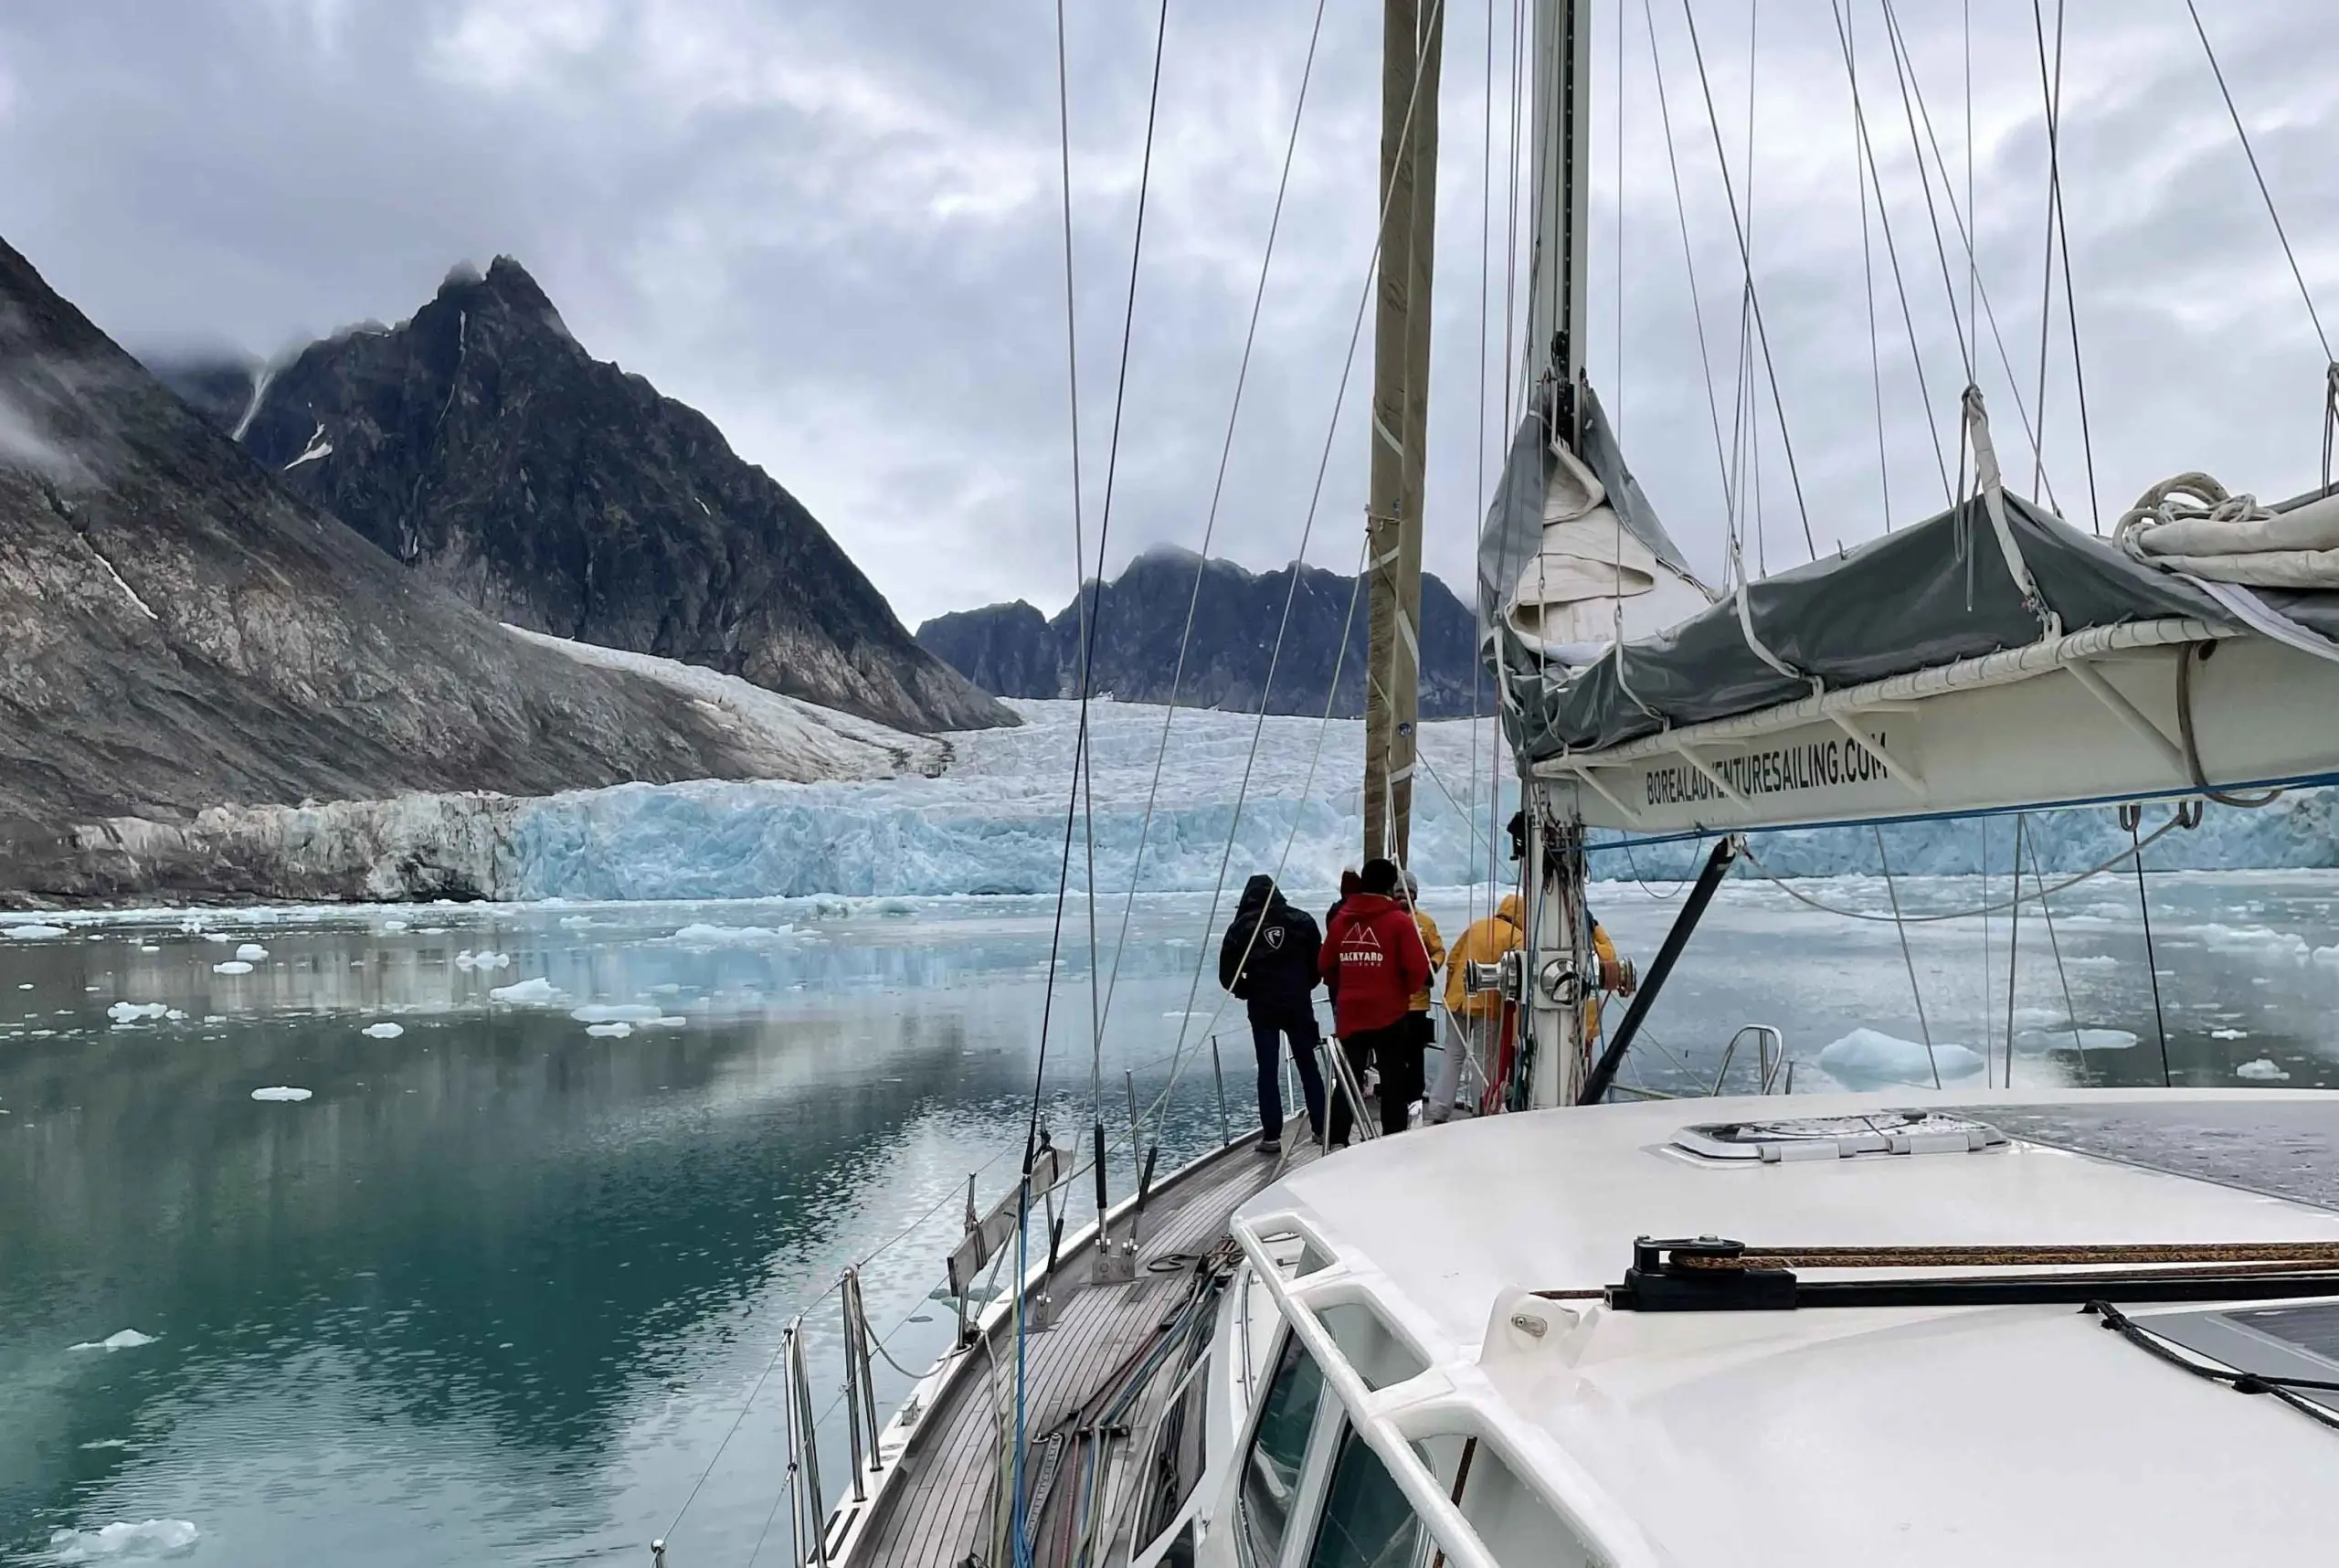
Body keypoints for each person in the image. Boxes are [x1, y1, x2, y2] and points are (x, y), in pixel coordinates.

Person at [1319, 857, 1431, 1144]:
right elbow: (1418, 967)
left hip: (1351, 1012)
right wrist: (1401, 989)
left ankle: (1336, 1137)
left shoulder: (1342, 921)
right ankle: (1392, 1138)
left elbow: (1325, 965)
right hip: (1390, 1013)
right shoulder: (1398, 922)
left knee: (1348, 1078)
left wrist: (1347, 984)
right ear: (1390, 886)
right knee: (1394, 1079)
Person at [1217, 874, 1327, 1156]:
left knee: (1267, 1071)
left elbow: (1227, 974)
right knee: (1308, 1066)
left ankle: (1272, 1136)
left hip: (1263, 1007)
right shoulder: (1302, 921)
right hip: (1298, 1004)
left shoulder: (1241, 928)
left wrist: (1247, 990)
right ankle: (1321, 1128)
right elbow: (1319, 964)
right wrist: (1303, 985)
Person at [1433, 891, 1522, 1122]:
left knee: (1452, 1054)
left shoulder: (1477, 926)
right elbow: (1517, 976)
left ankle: (1438, 1109)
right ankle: (1481, 1111)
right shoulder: (1517, 936)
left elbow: (1453, 960)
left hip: (1458, 999)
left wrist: (1451, 994)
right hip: (1488, 1005)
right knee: (1484, 1060)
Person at [1398, 869, 1445, 1118]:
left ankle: (1414, 1097)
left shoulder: (1425, 923)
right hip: (1392, 1002)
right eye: (1398, 893)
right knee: (1394, 1052)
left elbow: (1438, 950)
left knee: (1415, 1053)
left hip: (1417, 1001)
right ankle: (1396, 1095)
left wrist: (1432, 967)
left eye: (1407, 892)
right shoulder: (1389, 922)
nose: (1403, 897)